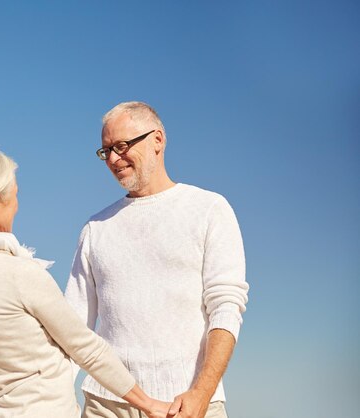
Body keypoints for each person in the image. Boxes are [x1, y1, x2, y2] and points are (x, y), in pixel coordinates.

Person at [0, 149, 171, 418]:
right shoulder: (17, 273)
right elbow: (87, 349)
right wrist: (149, 404)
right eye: (14, 196)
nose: (17, 205)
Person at [64, 102, 249, 418]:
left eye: (121, 146)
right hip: (105, 406)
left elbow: (226, 307)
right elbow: (73, 325)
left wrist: (201, 394)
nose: (112, 159)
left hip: (190, 404)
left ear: (158, 140)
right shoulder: (96, 228)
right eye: (105, 150)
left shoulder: (209, 209)